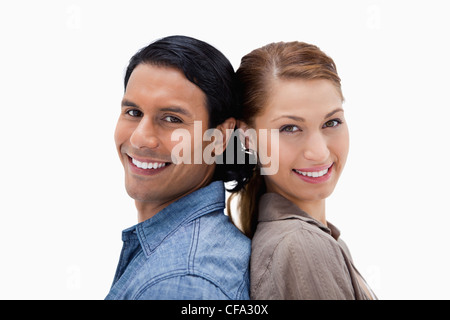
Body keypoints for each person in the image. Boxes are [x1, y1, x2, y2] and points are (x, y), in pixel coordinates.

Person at [106, 35, 251, 300]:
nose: (140, 138)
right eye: (133, 112)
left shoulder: (184, 283)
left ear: (219, 137)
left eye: (171, 119)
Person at [229, 41, 376, 300]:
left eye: (331, 122)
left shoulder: (315, 239)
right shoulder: (302, 247)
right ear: (247, 138)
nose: (319, 152)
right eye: (290, 128)